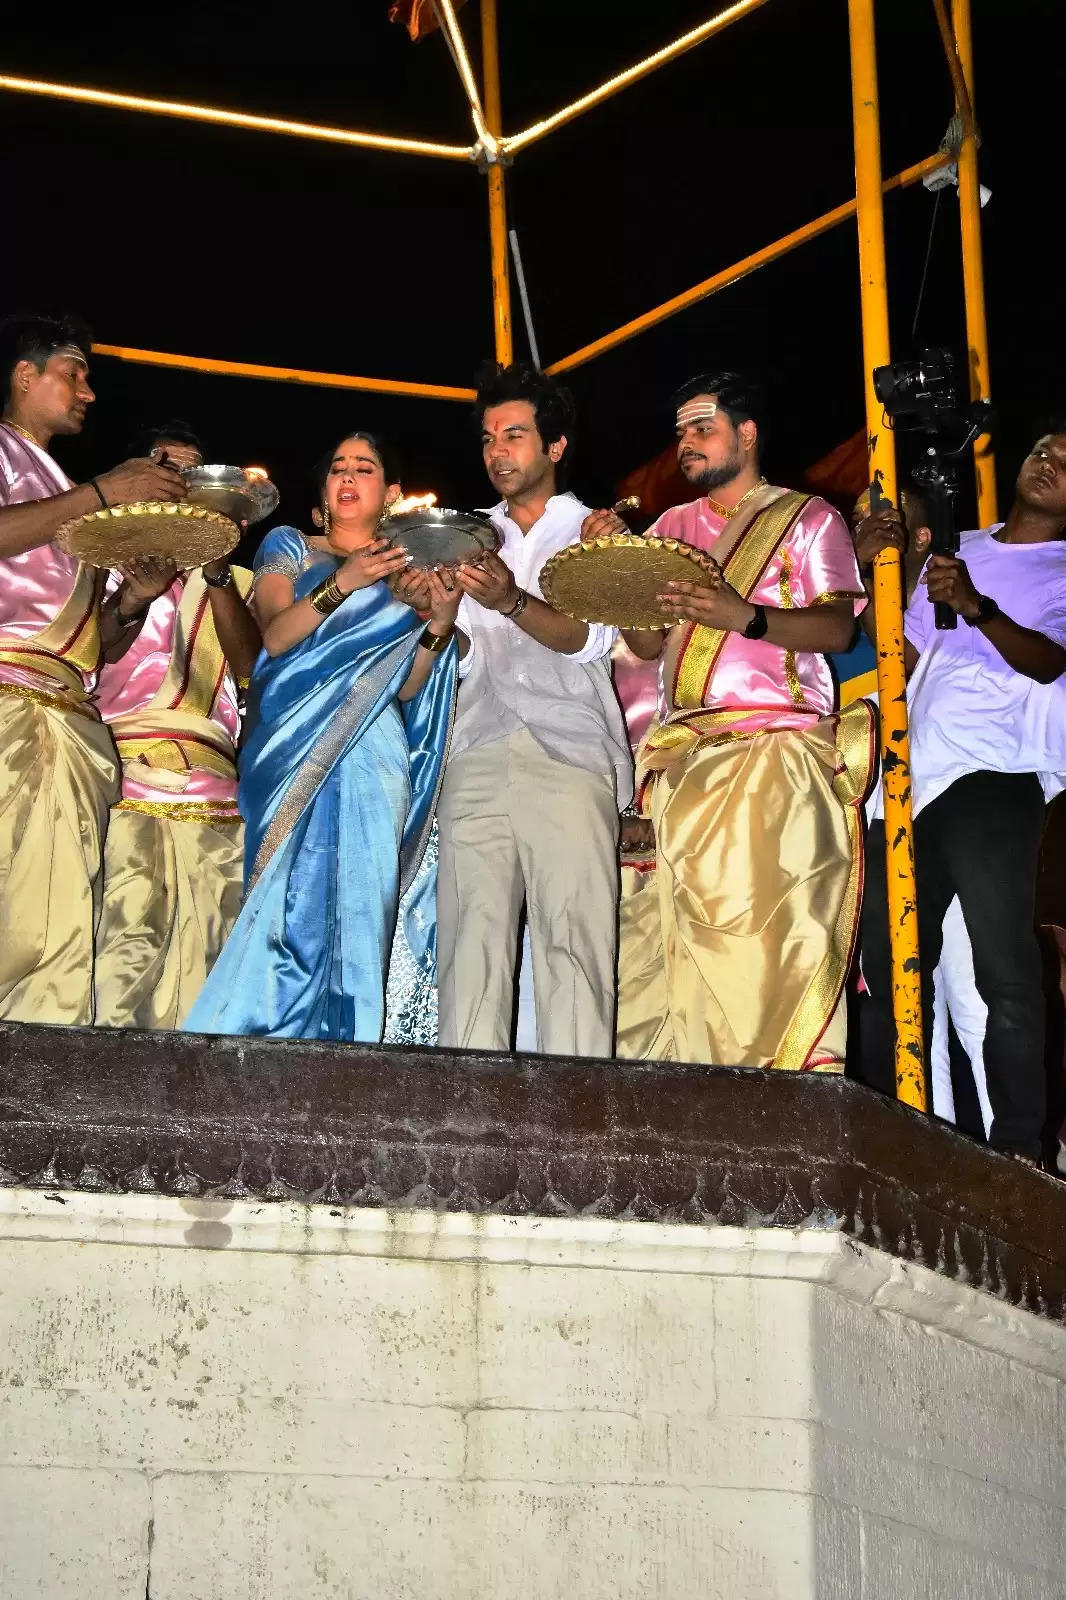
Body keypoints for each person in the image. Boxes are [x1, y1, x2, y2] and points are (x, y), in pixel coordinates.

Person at [588, 371, 871, 1070]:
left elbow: (837, 629)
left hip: (774, 754)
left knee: (766, 952)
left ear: (746, 434)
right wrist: (619, 575)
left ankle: (780, 1114)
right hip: (683, 765)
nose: (685, 443)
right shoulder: (669, 529)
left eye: (701, 428)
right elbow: (649, 647)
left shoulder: (808, 518)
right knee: (671, 955)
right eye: (680, 431)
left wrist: (743, 616)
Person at [184, 429, 458, 1042]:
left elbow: (409, 687)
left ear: (390, 493)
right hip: (290, 745)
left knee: (363, 908)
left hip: (375, 747)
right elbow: (275, 639)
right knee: (287, 908)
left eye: (365, 467)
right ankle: (257, 1042)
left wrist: (437, 622)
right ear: (324, 490)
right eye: (338, 467)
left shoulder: (410, 574)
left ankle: (353, 1057)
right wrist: (347, 581)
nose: (349, 477)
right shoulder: (291, 547)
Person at [857, 429, 1066, 1162]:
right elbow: (902, 650)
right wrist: (882, 565)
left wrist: (977, 607)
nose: (1048, 462)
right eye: (1043, 448)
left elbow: (1048, 663)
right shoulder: (963, 543)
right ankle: (899, 1142)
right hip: (910, 779)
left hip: (995, 776)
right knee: (887, 972)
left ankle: (1022, 1152)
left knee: (1001, 970)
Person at [428, 363, 632, 1057]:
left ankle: (576, 1144)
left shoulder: (594, 530)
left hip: (570, 753)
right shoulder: (461, 536)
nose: (496, 452)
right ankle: (467, 1141)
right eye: (487, 438)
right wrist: (434, 617)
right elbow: (457, 659)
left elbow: (594, 642)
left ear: (555, 446)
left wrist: (509, 600)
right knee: (468, 953)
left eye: (513, 435)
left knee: (576, 950)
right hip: (475, 749)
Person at [0, 312, 185, 1024]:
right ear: (26, 376)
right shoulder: (29, 471)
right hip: (17, 710)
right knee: (34, 925)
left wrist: (134, 598)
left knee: (59, 918)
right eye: (73, 373)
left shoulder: (58, 490)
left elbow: (95, 646)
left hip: (66, 720)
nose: (88, 392)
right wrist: (101, 496)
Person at [92, 422, 261, 1029]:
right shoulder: (104, 566)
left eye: (192, 476)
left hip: (215, 791)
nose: (178, 486)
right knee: (124, 945)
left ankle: (192, 1114)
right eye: (165, 469)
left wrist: (215, 573)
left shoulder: (237, 584)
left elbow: (254, 679)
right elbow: (95, 652)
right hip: (125, 774)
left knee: (211, 957)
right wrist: (135, 597)